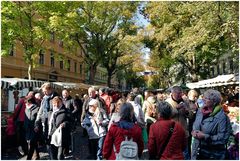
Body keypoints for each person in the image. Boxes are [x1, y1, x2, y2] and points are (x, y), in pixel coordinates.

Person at [191, 89, 232, 160]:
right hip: (197, 151)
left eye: (207, 98)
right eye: (203, 97)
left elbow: (223, 138)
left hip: (213, 155)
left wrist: (205, 136)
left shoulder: (222, 117)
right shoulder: (200, 111)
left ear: (214, 101)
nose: (203, 99)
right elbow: (196, 126)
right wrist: (193, 131)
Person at [34, 83, 58, 153]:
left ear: (50, 89)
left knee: (53, 141)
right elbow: (40, 111)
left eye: (45, 91)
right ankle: (51, 156)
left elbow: (59, 111)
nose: (44, 93)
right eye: (43, 91)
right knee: (47, 140)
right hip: (45, 123)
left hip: (54, 124)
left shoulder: (56, 98)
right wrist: (37, 122)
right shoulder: (44, 99)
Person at [13, 91, 35, 156]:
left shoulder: (30, 101)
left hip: (25, 121)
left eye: (32, 95)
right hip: (23, 121)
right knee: (23, 136)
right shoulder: (24, 100)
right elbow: (17, 109)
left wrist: (14, 118)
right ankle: (23, 150)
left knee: (23, 136)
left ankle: (24, 150)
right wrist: (14, 118)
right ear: (27, 94)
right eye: (30, 94)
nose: (31, 95)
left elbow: (17, 110)